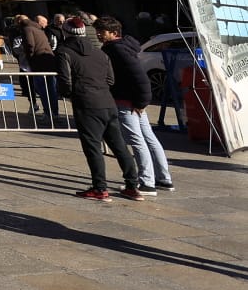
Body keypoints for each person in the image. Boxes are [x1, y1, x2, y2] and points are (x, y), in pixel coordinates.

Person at [55, 15, 142, 201]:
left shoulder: (64, 52)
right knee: (119, 145)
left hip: (86, 103)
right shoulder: (100, 52)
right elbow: (110, 79)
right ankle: (132, 186)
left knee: (92, 147)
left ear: (65, 32)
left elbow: (64, 81)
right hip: (107, 102)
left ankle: (100, 188)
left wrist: (71, 94)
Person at [96, 15, 174, 194]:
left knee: (138, 141)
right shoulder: (121, 47)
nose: (99, 35)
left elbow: (139, 77)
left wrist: (141, 101)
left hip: (128, 102)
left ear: (113, 33)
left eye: (102, 32)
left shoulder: (117, 50)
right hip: (134, 101)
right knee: (148, 138)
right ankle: (163, 178)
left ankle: (147, 182)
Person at [17, 13, 60, 119]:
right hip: (49, 61)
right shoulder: (37, 29)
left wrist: (30, 59)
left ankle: (47, 113)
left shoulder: (27, 29)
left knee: (42, 89)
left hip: (39, 62)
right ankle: (54, 113)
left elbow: (30, 45)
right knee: (51, 89)